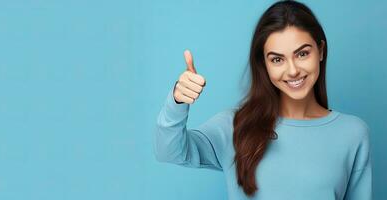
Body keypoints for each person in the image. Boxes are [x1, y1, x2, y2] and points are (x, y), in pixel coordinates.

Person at [154, 0, 372, 199]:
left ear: (321, 51)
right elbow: (169, 151)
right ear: (265, 65)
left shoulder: (352, 133)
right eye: (277, 59)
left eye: (302, 54)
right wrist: (177, 101)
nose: (293, 70)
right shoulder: (235, 125)